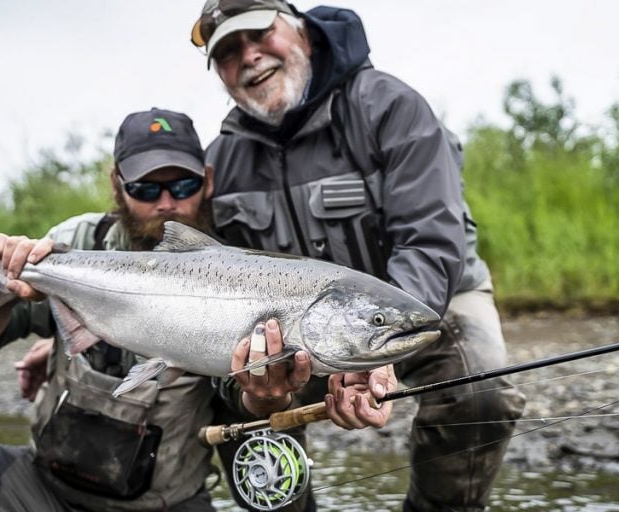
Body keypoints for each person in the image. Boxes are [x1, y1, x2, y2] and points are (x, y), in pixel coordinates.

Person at [0, 107, 394, 512]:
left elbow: (241, 414)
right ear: (117, 187)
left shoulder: (246, 275)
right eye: (145, 187)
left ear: (208, 181)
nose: (166, 203)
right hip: (41, 489)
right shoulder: (77, 244)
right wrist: (6, 278)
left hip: (166, 503)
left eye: (183, 185)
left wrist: (264, 398)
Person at [191, 2, 528, 510]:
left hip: (426, 299)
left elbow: (431, 240)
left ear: (301, 31)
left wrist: (369, 349)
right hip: (290, 324)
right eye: (228, 53)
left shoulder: (389, 107)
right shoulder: (222, 159)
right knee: (231, 397)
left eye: (259, 35)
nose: (250, 57)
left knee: (480, 393)